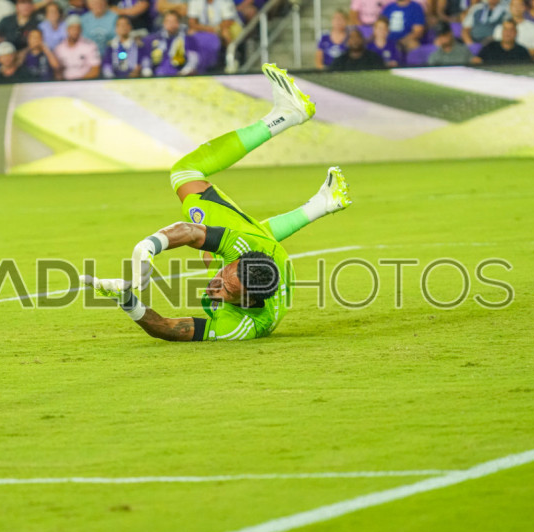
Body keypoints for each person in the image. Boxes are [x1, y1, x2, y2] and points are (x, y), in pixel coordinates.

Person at [81, 64, 351, 342]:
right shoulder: (244, 254)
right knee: (185, 174)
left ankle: (324, 202)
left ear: (247, 301)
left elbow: (167, 327)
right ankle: (286, 116)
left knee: (215, 252)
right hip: (269, 258)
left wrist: (126, 299)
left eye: (227, 290)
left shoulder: (239, 327)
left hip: (270, 261)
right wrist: (148, 246)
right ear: (236, 260)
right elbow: (191, 232)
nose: (214, 285)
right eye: (223, 277)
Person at [141, 10, 198, 76]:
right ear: (164, 23)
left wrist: (186, 71)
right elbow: (146, 58)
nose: (171, 24)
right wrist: (147, 70)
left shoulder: (187, 39)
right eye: (168, 21)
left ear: (178, 23)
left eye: (174, 21)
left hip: (179, 74)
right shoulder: (154, 39)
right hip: (157, 75)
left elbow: (193, 58)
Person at [53, 14, 100, 79]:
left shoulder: (90, 46)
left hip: (85, 82)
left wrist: (79, 82)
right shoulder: (59, 48)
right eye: (72, 28)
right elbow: (57, 70)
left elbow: (95, 70)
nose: (75, 31)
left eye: (78, 28)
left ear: (81, 30)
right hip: (65, 83)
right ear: (67, 29)